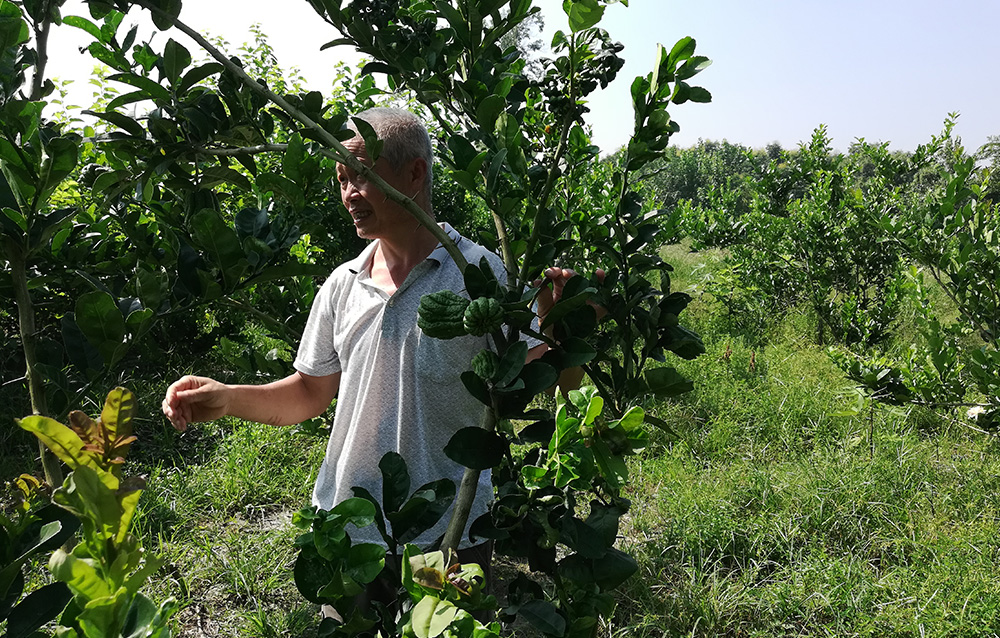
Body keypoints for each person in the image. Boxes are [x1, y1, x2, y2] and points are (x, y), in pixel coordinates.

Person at [161, 108, 586, 595]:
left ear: (414, 173)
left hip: (450, 531)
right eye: (341, 180)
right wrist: (229, 397)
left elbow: (549, 382)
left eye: (360, 176)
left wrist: (563, 333)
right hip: (348, 526)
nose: (349, 195)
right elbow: (308, 393)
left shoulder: (482, 278)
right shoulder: (344, 284)